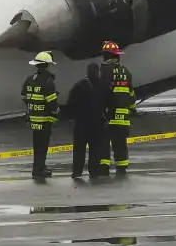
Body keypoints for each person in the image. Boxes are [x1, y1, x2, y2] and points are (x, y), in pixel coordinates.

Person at [66, 62, 111, 179]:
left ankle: (77, 171)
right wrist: (107, 118)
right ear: (98, 72)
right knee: (95, 148)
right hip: (97, 123)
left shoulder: (79, 86)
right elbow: (109, 103)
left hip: (81, 123)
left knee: (79, 149)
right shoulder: (103, 86)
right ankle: (94, 170)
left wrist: (72, 116)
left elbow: (71, 103)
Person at [23, 52, 61, 182]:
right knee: (43, 146)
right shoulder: (48, 81)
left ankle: (38, 168)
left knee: (36, 145)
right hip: (44, 119)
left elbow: (24, 96)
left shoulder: (30, 79)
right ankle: (39, 170)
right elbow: (51, 102)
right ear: (47, 65)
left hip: (33, 118)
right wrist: (57, 112)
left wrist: (33, 105)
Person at [101, 40, 135, 174]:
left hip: (109, 115)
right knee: (120, 143)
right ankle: (122, 166)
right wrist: (132, 108)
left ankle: (104, 167)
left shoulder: (105, 71)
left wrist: (99, 109)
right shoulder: (126, 71)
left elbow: (103, 92)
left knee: (104, 141)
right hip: (123, 116)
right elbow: (131, 94)